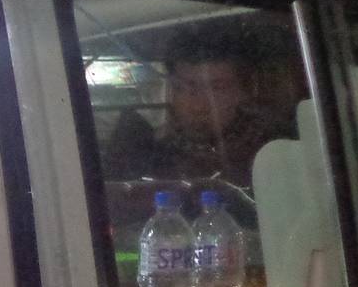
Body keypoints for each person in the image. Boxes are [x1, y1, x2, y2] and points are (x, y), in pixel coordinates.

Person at [103, 40, 286, 187]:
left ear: (246, 90)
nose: (197, 106)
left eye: (217, 89)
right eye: (182, 88)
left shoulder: (275, 153)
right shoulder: (158, 156)